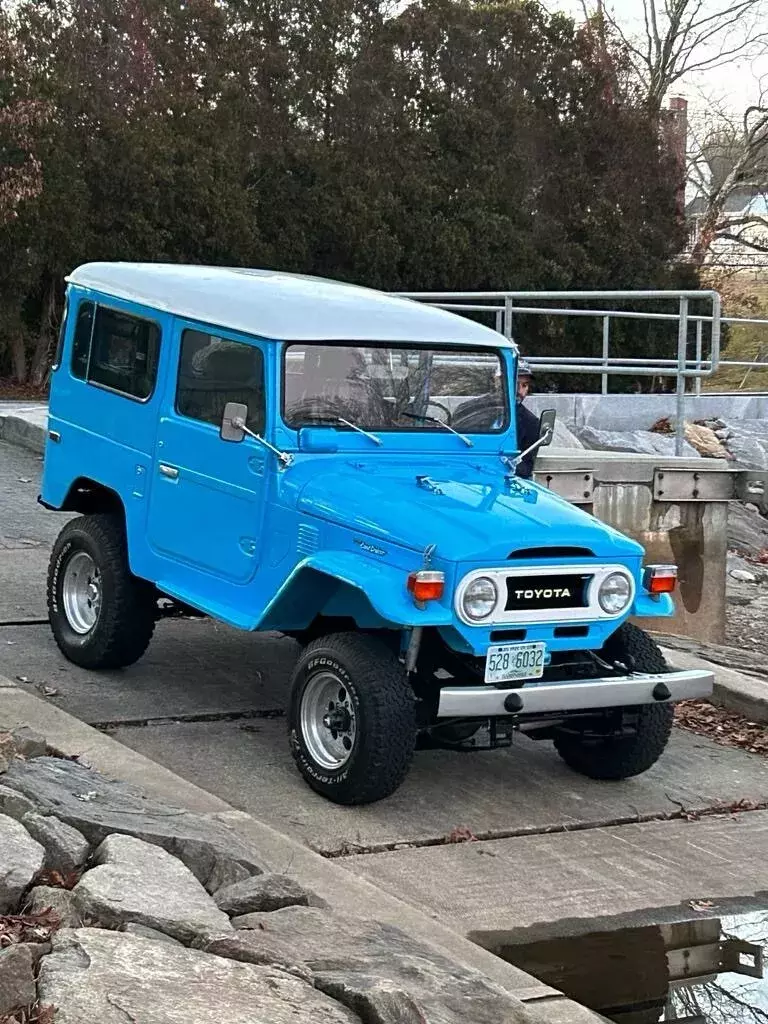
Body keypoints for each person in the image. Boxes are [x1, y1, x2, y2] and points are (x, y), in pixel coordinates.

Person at [515, 360, 540, 479]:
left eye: (524, 385)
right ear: (497, 382)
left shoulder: (530, 423)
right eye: (515, 384)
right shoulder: (470, 410)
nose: (520, 391)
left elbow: (525, 468)